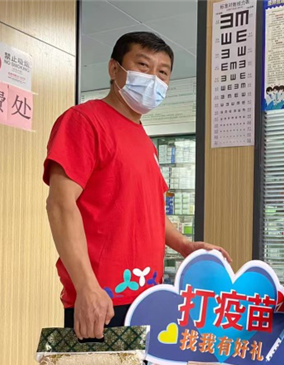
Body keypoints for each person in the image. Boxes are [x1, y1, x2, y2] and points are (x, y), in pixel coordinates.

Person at [44, 32, 231, 340]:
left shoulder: (144, 140)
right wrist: (87, 287)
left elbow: (151, 210)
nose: (153, 78)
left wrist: (185, 246)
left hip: (146, 295)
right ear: (114, 68)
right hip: (102, 299)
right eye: (143, 65)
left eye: (163, 72)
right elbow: (60, 205)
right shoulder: (84, 121)